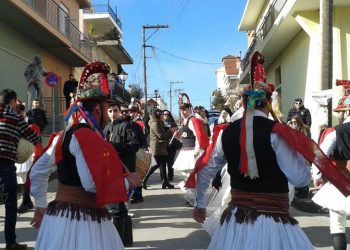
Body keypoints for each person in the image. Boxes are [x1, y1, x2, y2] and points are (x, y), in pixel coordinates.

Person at [193, 52, 314, 249]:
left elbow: (206, 169)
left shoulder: (226, 133)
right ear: (269, 103)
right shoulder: (277, 133)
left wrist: (200, 204)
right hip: (274, 222)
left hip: (236, 223)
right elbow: (300, 179)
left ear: (243, 102)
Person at [29, 61, 139, 250]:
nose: (108, 112)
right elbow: (92, 185)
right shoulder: (86, 136)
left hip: (59, 221)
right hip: (83, 223)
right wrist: (130, 182)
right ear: (98, 108)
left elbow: (37, 172)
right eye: (107, 107)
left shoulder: (63, 136)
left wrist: (40, 205)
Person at [0, 89, 40, 250]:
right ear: (12, 102)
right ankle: (10, 243)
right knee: (10, 205)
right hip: (6, 165)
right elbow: (34, 138)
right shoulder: (16, 118)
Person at [312, 95, 350, 250]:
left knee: (337, 225)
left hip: (341, 182)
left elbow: (320, 155)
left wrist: (317, 176)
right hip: (340, 181)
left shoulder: (336, 132)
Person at [173, 93, 209, 205]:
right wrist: (179, 137)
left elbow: (198, 135)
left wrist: (197, 150)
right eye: (181, 110)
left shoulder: (192, 120)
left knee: (193, 175)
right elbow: (187, 136)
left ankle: (194, 198)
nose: (182, 112)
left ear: (189, 109)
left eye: (184, 109)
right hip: (186, 150)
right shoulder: (185, 120)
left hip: (192, 151)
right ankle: (193, 197)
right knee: (189, 175)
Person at [104, 104, 141, 204]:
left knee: (125, 194)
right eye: (110, 111)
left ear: (119, 112)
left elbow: (134, 145)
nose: (112, 114)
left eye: (115, 111)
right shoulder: (107, 127)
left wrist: (118, 146)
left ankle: (124, 214)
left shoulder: (126, 125)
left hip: (125, 164)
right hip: (111, 166)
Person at [143, 109, 176, 189]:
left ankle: (165, 182)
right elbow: (161, 135)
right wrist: (171, 132)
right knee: (157, 164)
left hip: (161, 146)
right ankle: (144, 179)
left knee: (163, 164)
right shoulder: (155, 124)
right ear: (158, 116)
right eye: (161, 115)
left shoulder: (158, 123)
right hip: (157, 147)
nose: (163, 116)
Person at [163, 109, 179, 181]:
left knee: (170, 162)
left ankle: (170, 176)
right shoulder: (160, 123)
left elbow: (177, 133)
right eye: (165, 114)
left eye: (167, 114)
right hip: (163, 145)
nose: (166, 115)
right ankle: (163, 178)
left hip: (172, 145)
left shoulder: (173, 123)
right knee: (163, 162)